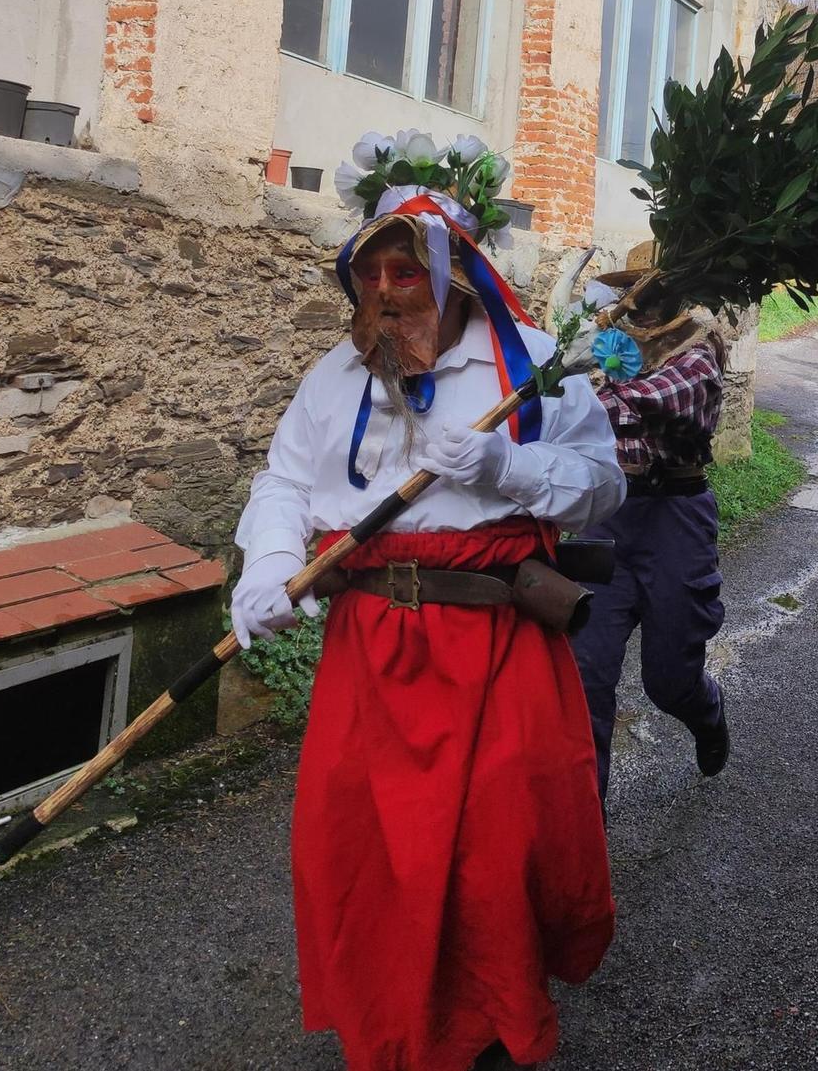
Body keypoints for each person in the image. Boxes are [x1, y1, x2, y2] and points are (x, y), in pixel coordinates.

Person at [231, 131, 627, 1071]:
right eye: (372, 277)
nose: (386, 296)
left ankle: (486, 1033)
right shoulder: (334, 378)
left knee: (492, 864)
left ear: (455, 275)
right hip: (371, 653)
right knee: (361, 856)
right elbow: (285, 482)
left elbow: (603, 485)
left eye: (407, 275)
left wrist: (510, 464)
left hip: (495, 650)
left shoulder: (532, 366)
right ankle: (389, 1034)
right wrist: (268, 563)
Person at [570, 266, 731, 798]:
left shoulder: (699, 355)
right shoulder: (608, 345)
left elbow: (649, 400)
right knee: (584, 678)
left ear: (673, 298)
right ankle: (587, 827)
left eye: (651, 296)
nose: (638, 307)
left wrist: (562, 392)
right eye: (632, 297)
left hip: (675, 520)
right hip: (605, 517)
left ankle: (705, 712)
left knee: (668, 682)